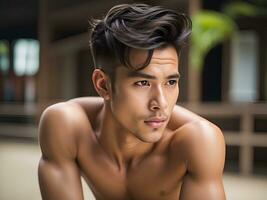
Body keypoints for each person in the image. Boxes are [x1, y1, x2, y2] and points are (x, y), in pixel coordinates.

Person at [38, 3, 226, 200]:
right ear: (103, 85)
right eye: (143, 82)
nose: (161, 103)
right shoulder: (67, 126)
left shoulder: (198, 140)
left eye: (170, 82)